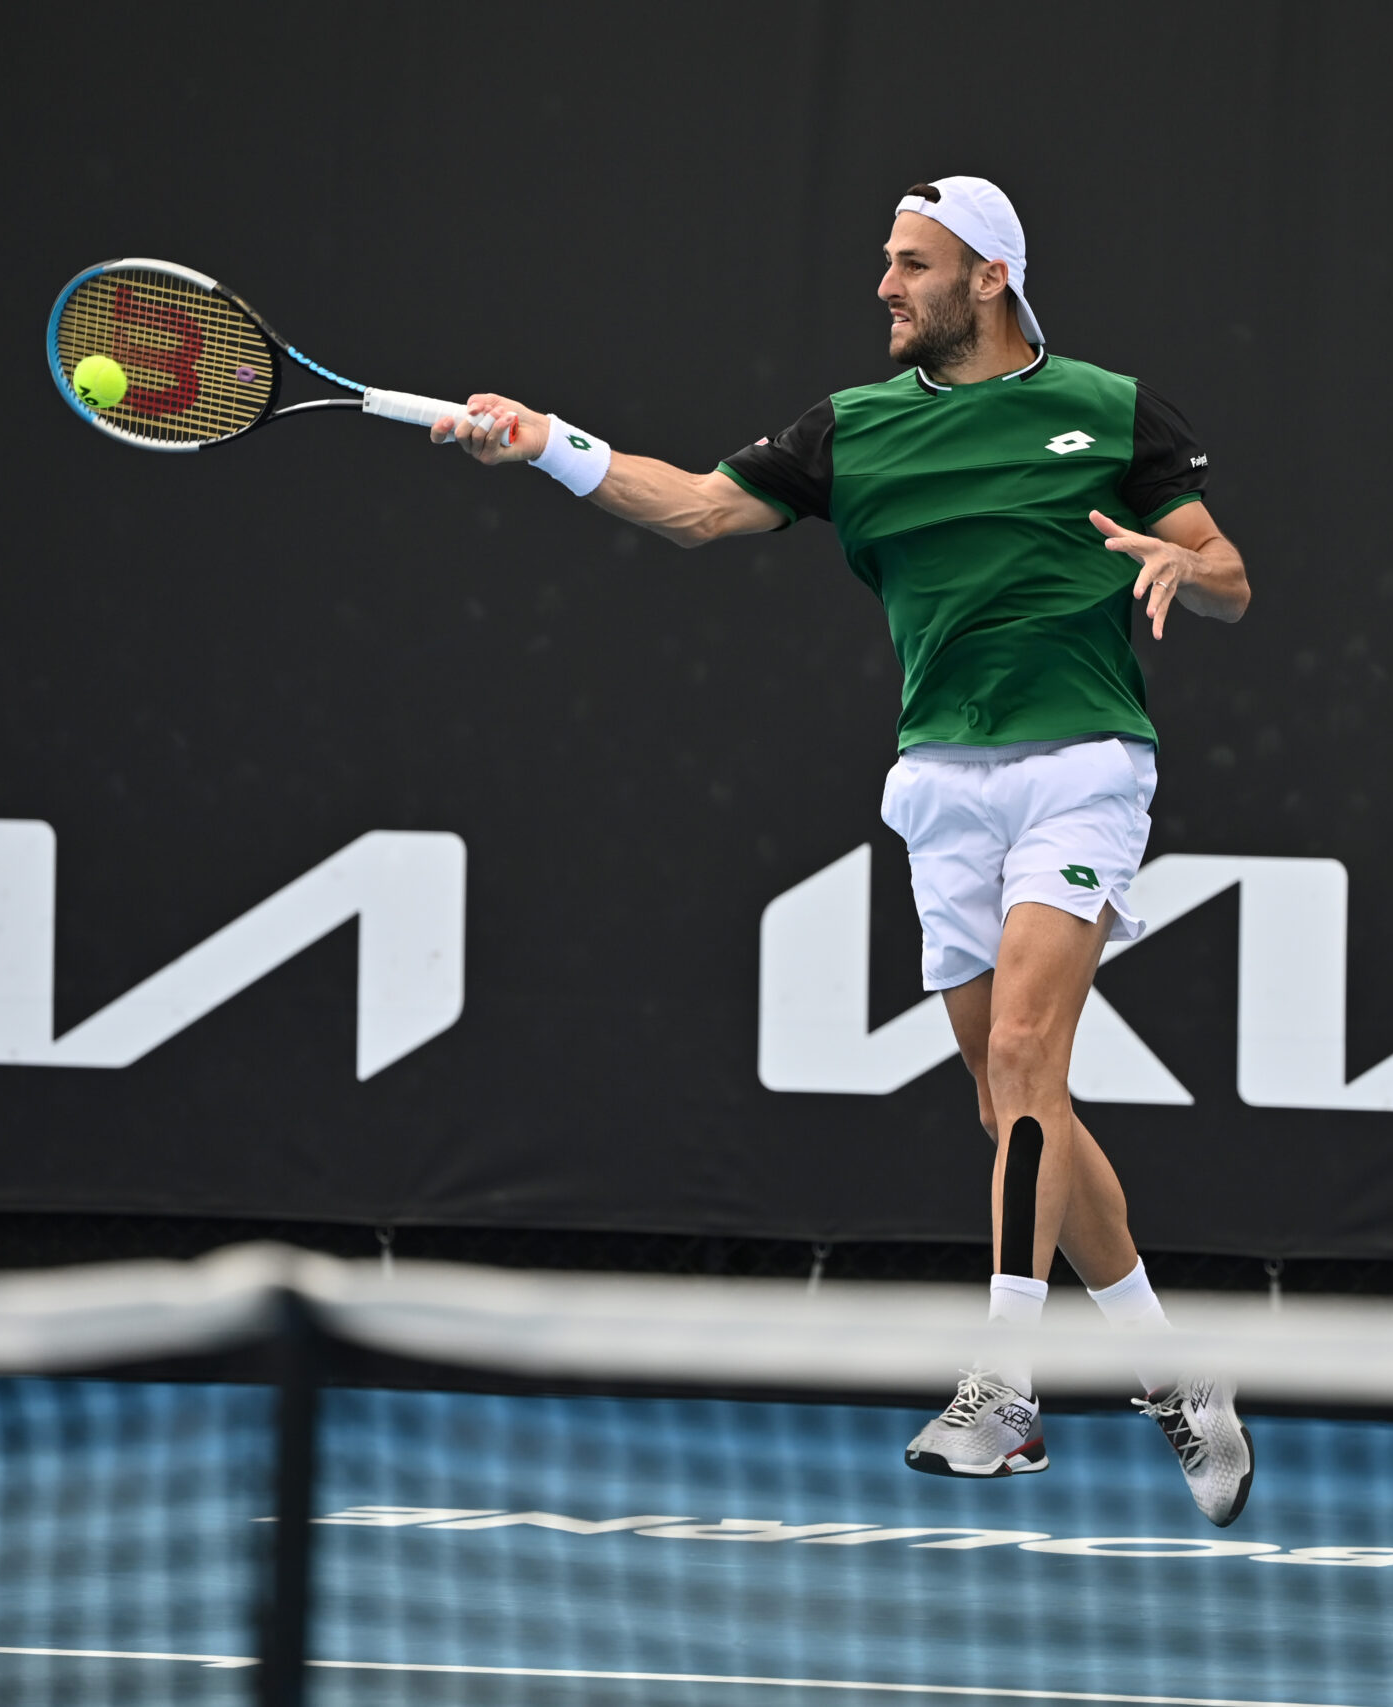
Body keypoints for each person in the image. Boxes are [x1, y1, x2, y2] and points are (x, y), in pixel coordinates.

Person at [438, 175, 1255, 1526]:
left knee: (1023, 1060)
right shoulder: (851, 430)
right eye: (886, 260)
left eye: (912, 263)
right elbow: (698, 510)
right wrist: (543, 443)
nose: (885, 284)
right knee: (1015, 1110)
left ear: (990, 276)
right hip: (940, 781)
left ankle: (1006, 1386)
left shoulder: (1112, 411)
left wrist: (1183, 574)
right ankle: (1174, 1372)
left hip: (1084, 763)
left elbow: (1227, 569)